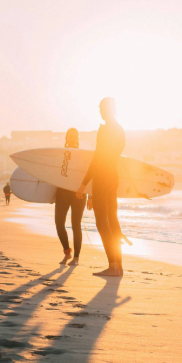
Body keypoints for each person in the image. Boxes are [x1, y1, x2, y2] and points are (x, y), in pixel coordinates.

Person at [75, 98, 124, 277]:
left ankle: (112, 265)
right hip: (113, 177)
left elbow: (97, 159)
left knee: (102, 221)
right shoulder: (120, 130)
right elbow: (114, 156)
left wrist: (83, 184)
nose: (100, 112)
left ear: (108, 109)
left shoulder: (104, 130)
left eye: (102, 109)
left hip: (102, 178)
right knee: (113, 219)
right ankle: (118, 265)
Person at [56, 128, 86, 266]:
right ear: (67, 138)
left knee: (76, 225)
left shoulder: (83, 155)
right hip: (62, 192)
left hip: (78, 193)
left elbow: (89, 175)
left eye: (75, 136)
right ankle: (67, 253)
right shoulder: (60, 154)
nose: (73, 138)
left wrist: (91, 195)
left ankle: (76, 258)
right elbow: (54, 173)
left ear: (78, 138)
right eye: (70, 136)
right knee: (59, 223)